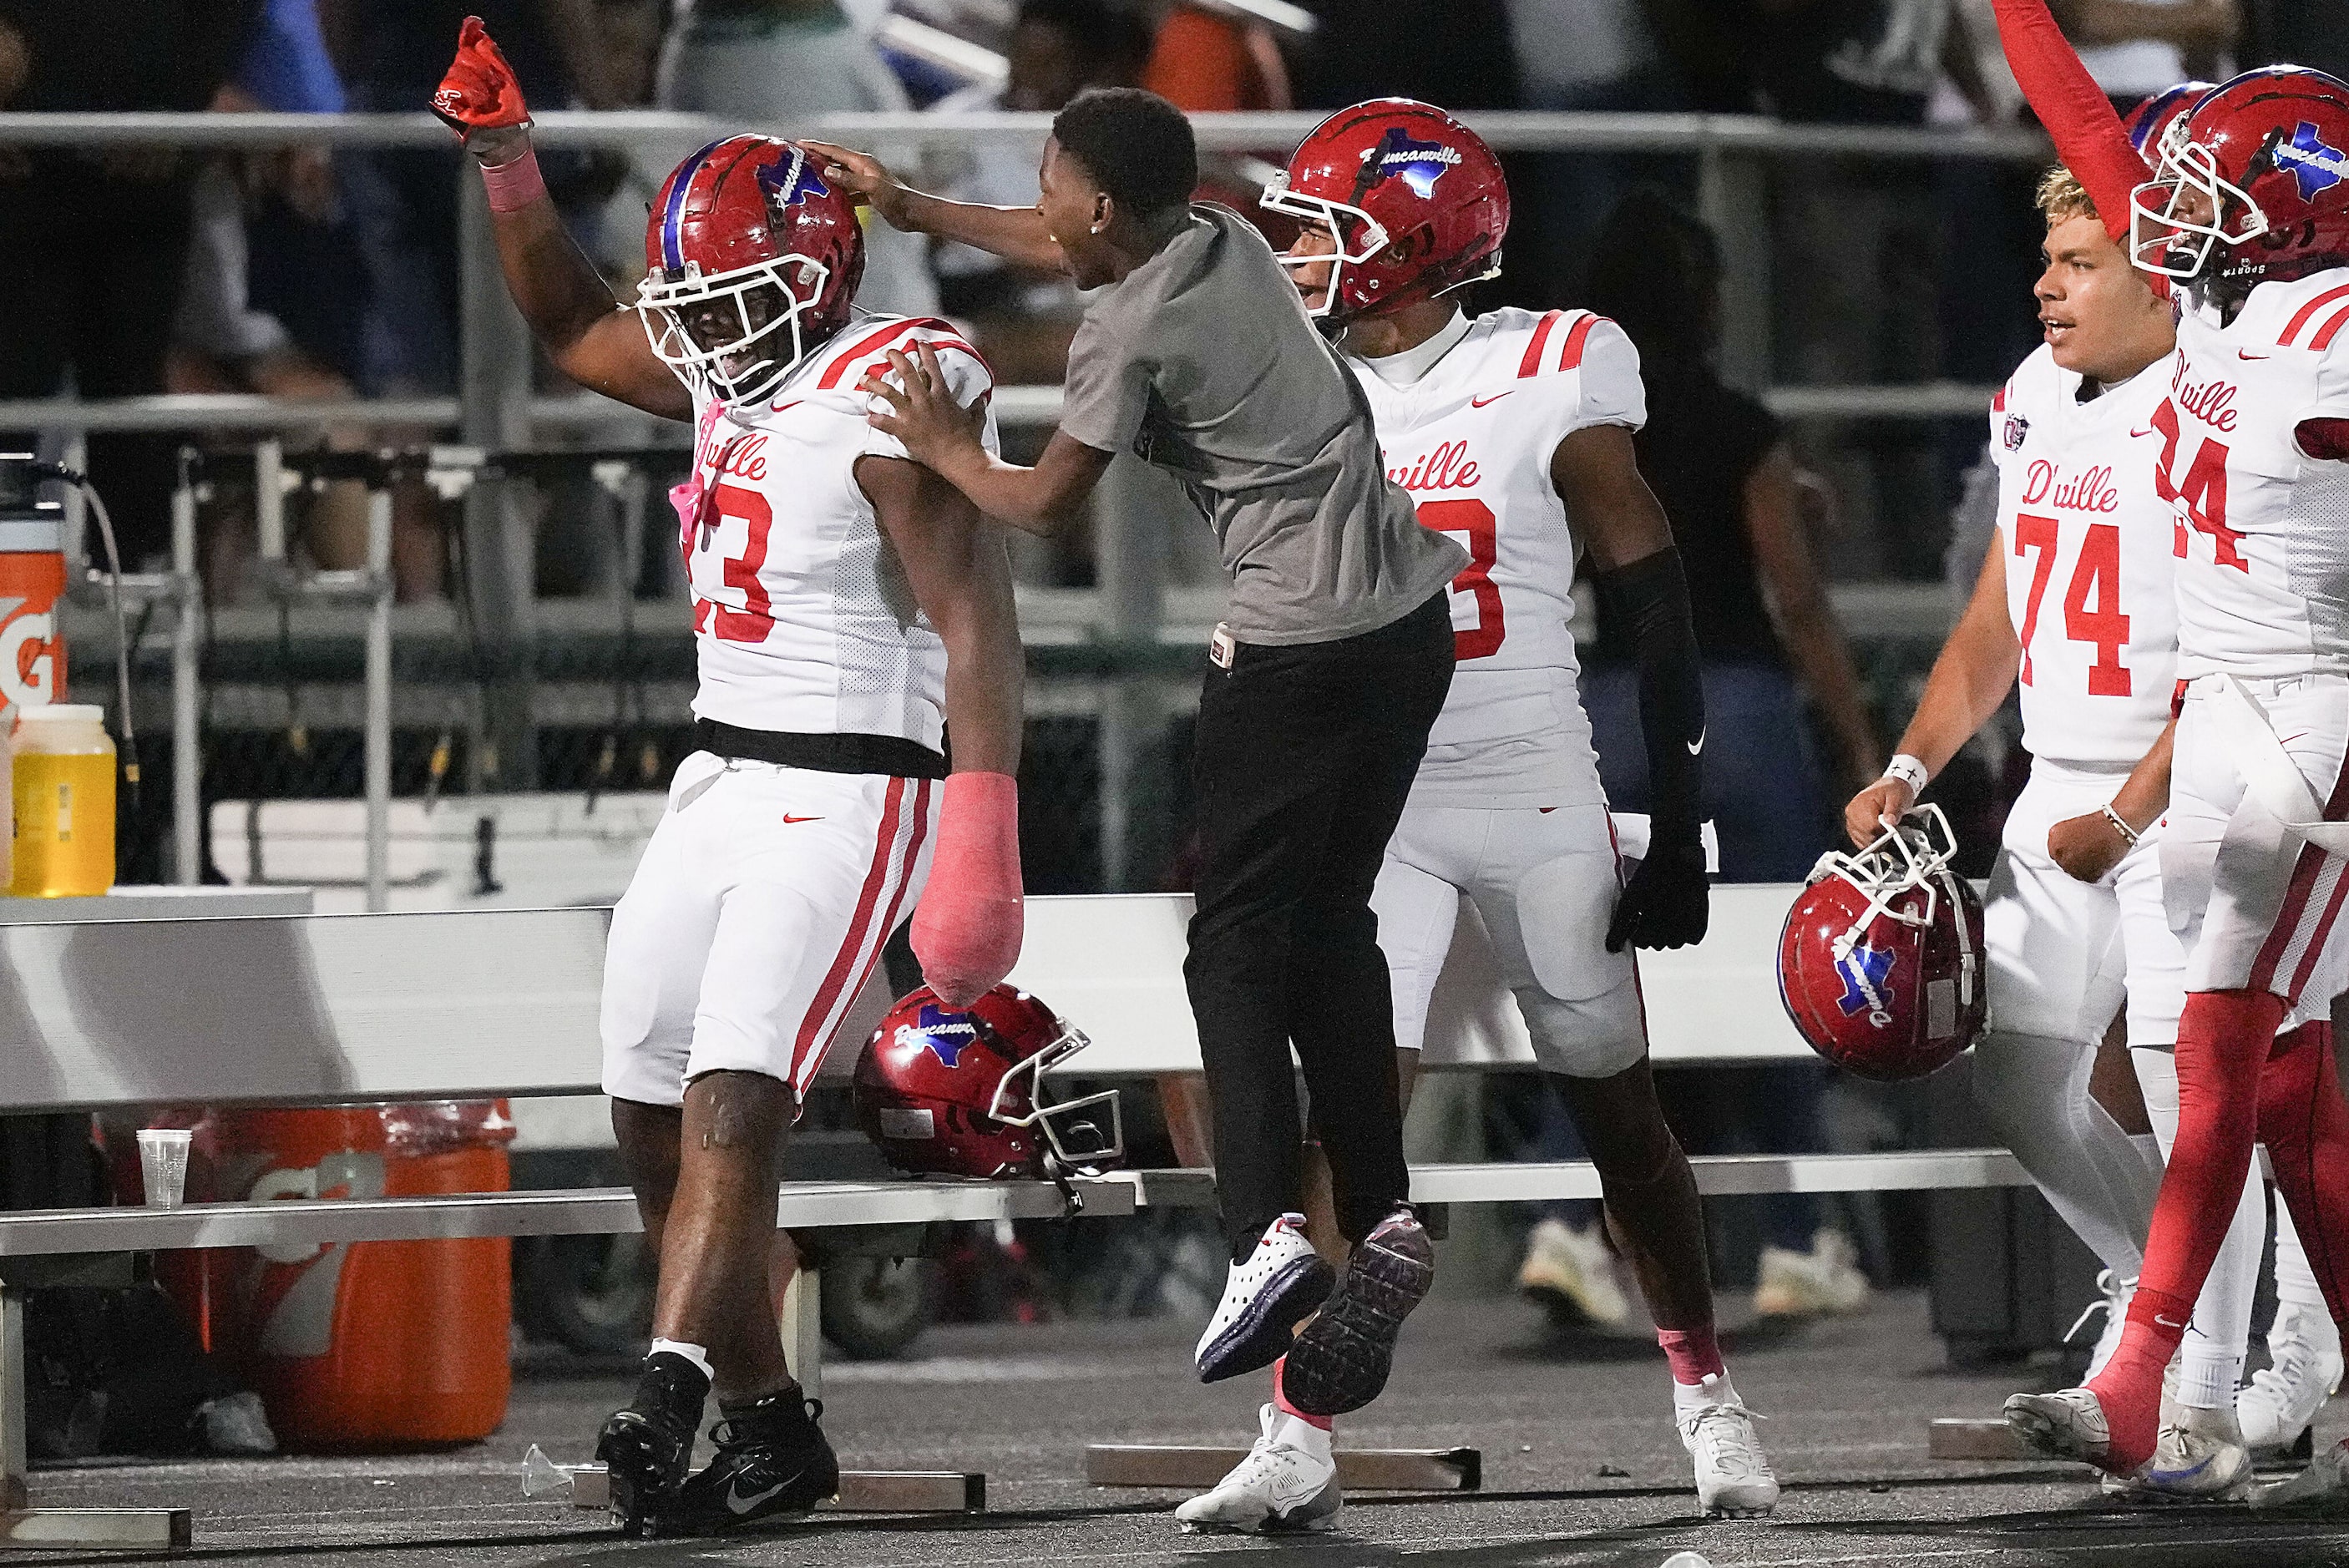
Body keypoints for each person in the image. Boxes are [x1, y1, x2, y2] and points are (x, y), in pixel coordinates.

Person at [805, 89, 1501, 1428]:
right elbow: (1055, 237)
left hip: (1294, 648)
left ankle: (1264, 1240)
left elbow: (1043, 503)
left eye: (1055, 186)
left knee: (1229, 946)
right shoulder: (1227, 239)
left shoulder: (1122, 330)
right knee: (1329, 925)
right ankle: (1384, 1206)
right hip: (1407, 624)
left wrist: (946, 444)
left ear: (1102, 208)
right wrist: (910, 205)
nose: (1045, 207)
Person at [432, 19, 1028, 1535]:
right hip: (718, 775)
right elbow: (571, 327)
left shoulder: (894, 383)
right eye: (687, 300)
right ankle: (772, 1425)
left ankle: (671, 1385)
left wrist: (982, 824)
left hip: (852, 781)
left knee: (734, 1091)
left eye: (726, 294)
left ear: (818, 279)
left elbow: (976, 619)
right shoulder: (727, 370)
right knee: (644, 1095)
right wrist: (510, 163)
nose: (700, 328)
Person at [1165, 100, 1771, 1535]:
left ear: (1420, 243)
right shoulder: (1298, 380)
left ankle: (1702, 1389)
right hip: (1379, 803)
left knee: (1614, 1104)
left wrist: (1673, 812)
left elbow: (1651, 584)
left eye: (1330, 226)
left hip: (1529, 776)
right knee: (1351, 1105)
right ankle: (1296, 1427)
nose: (1305, 252)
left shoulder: (1550, 362)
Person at [1844, 96, 2336, 1495]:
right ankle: (2153, 1308)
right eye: (2044, 256)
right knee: (2023, 1079)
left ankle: (2192, 1388)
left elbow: (2239, 647)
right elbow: (2000, 616)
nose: (2048, 284)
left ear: (2162, 275)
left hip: (2190, 778)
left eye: (2080, 260)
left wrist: (2128, 809)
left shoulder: (2224, 387)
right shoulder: (2027, 393)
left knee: (2204, 1089)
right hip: (2056, 784)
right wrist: (1905, 763)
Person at [1987, 0, 2349, 1490]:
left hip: (2318, 721)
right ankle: (2289, 1364)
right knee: (2282, 1081)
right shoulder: (2229, 299)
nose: (2169, 210)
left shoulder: (2334, 328)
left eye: (2207, 184)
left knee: (2211, 1052)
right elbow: (2084, 127)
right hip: (2221, 712)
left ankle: (2146, 1373)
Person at [1579, 188, 1881, 1321]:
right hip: (1737, 711)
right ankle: (1799, 1238)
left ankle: (1571, 1223)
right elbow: (1792, 598)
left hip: (1610, 706)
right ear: (1702, 300)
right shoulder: (1741, 425)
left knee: (1595, 986)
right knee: (1775, 972)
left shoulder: (1579, 426)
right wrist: (1858, 747)